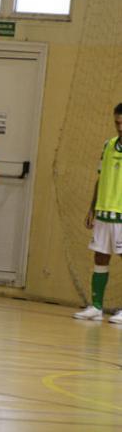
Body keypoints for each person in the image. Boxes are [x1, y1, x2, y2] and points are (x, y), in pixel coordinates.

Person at [73, 103, 122, 323]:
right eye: (117, 122)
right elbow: (100, 178)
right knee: (100, 257)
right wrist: (92, 208)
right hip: (103, 212)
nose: (119, 127)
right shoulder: (108, 145)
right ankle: (96, 306)